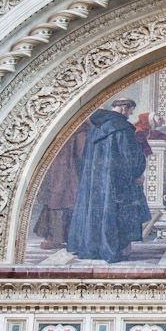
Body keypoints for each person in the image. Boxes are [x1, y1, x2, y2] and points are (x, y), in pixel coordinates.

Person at [66, 98, 149, 263]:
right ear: (124, 109)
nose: (131, 114)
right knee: (119, 212)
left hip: (95, 181)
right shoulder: (123, 128)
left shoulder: (96, 128)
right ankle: (115, 250)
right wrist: (138, 173)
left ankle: (93, 248)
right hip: (118, 181)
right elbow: (129, 156)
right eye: (131, 110)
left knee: (97, 211)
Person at [33, 122, 89, 249]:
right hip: (63, 173)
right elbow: (82, 153)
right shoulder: (81, 130)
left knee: (61, 203)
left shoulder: (80, 129)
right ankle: (54, 238)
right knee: (58, 203)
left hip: (66, 173)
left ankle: (60, 238)